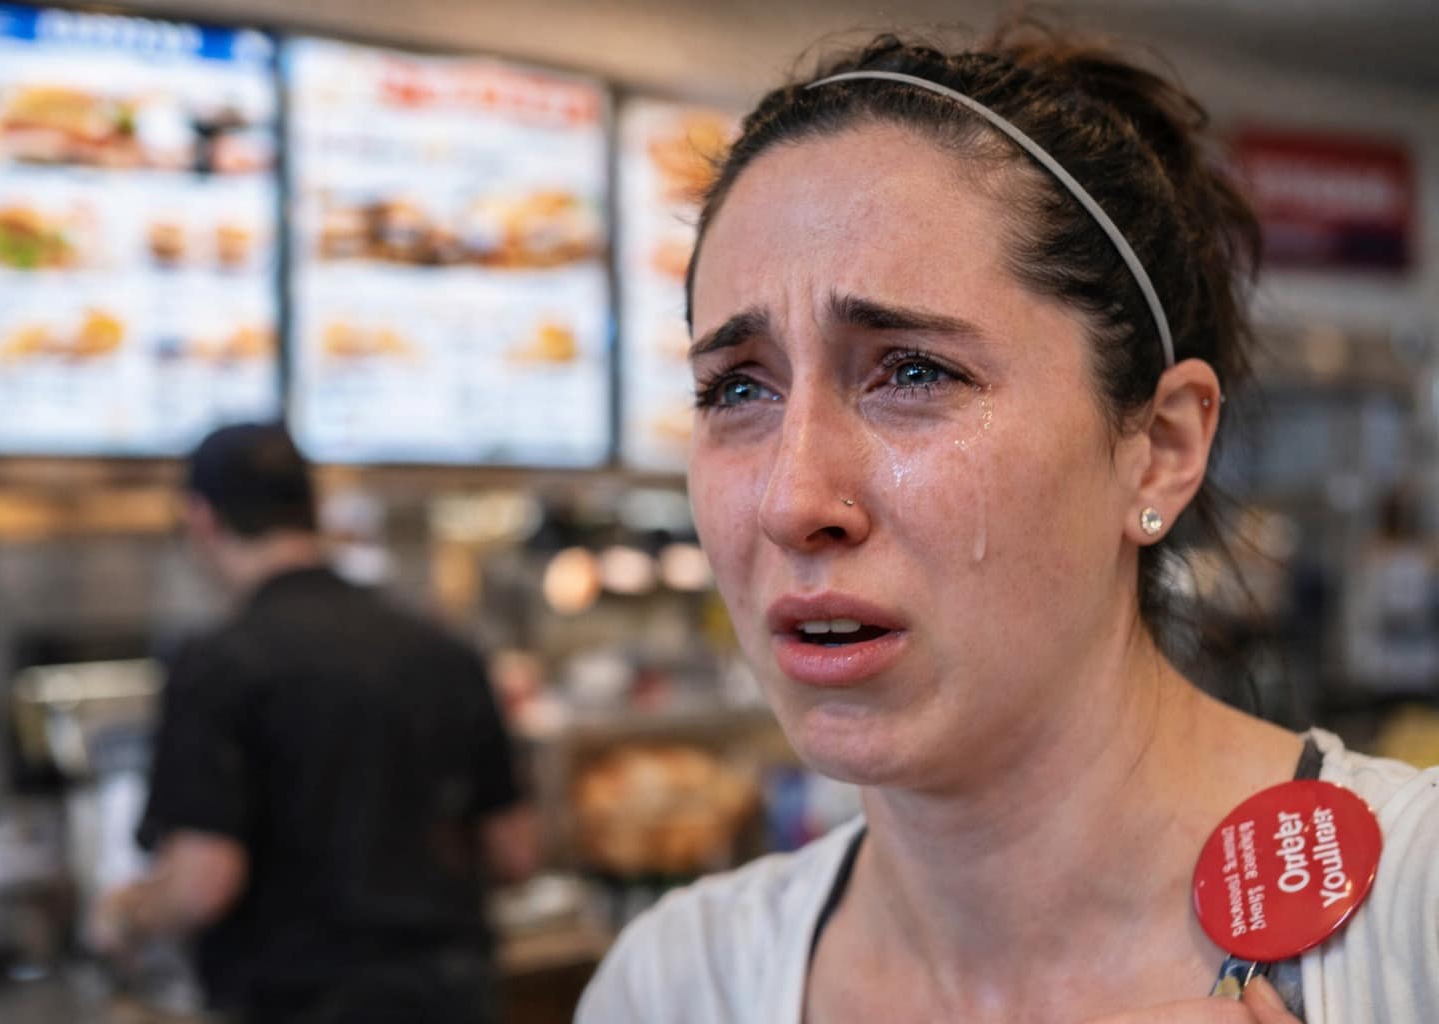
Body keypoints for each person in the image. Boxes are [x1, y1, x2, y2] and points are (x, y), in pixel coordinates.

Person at [578, 22, 1439, 1024]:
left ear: (1159, 446)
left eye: (913, 372)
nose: (789, 501)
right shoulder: (676, 985)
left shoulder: (1413, 920)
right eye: (736, 390)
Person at [98, 423, 537, 1023]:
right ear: (314, 510)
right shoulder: (445, 651)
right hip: (452, 999)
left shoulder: (218, 663)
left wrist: (126, 916)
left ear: (201, 518)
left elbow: (205, 881)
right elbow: (516, 854)